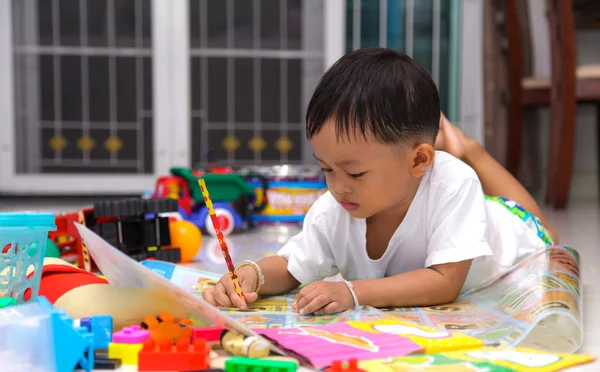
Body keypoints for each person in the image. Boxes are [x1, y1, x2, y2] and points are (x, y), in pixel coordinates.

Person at [202, 48, 557, 315]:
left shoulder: (454, 184)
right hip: (462, 211)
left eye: (355, 173)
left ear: (418, 160)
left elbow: (444, 282)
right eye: (326, 168)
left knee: (546, 233)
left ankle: (469, 149)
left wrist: (353, 292)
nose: (338, 186)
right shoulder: (336, 206)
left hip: (512, 229)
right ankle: (458, 144)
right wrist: (251, 275)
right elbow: (293, 265)